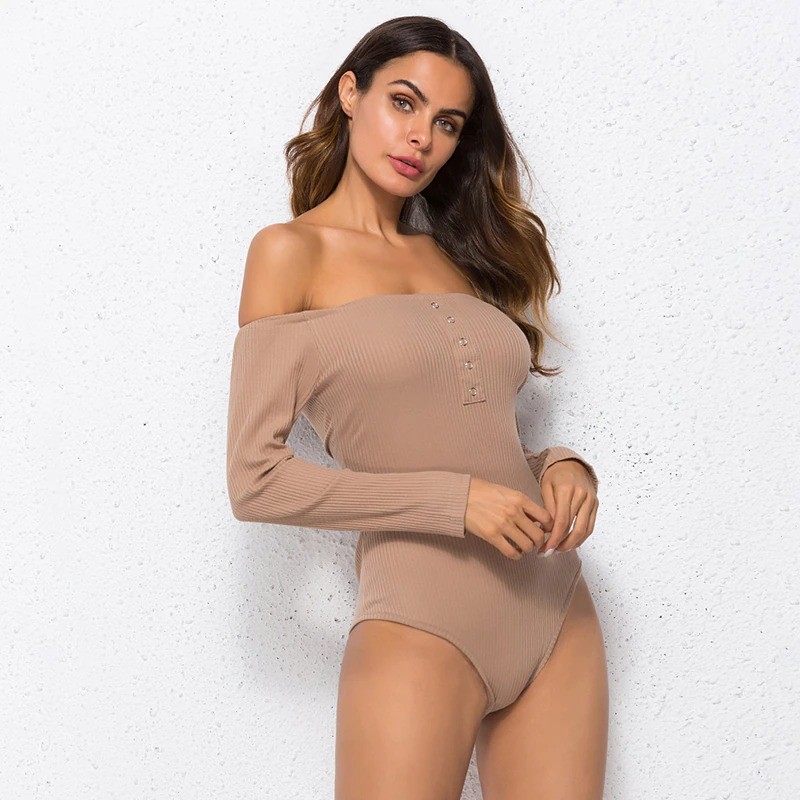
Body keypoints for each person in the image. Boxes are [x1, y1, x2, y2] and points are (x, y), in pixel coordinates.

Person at [226, 15, 608, 799]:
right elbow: (255, 481)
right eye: (403, 102)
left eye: (447, 123)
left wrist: (563, 465)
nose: (421, 138)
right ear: (350, 93)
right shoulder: (289, 253)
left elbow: (479, 437)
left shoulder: (457, 258)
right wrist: (453, 502)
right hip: (420, 616)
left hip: (553, 600)